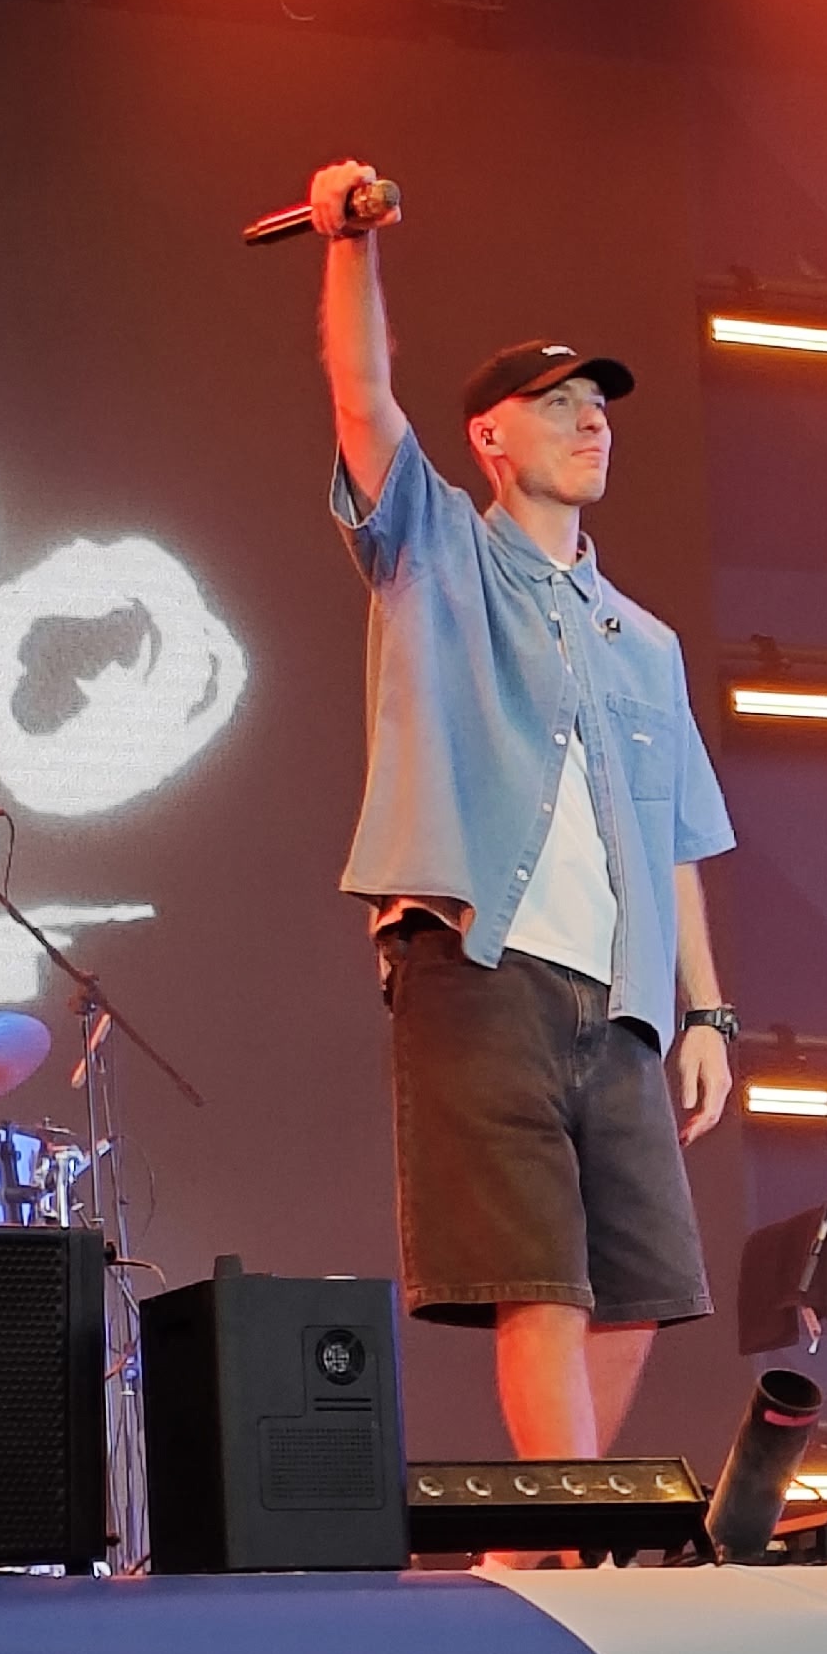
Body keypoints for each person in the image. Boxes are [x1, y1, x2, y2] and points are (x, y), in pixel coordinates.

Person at [308, 160, 742, 1463]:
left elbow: (675, 841)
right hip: (477, 961)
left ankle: (545, 1542)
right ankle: (566, 1546)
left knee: (642, 1289)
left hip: (621, 996)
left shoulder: (643, 640)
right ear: (490, 438)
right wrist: (348, 243)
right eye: (557, 405)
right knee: (539, 1283)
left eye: (598, 407)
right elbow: (362, 396)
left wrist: (707, 1011)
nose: (589, 423)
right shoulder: (434, 548)